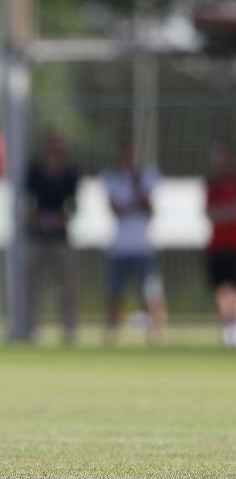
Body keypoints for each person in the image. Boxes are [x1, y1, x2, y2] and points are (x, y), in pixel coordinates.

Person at [101, 140, 166, 345]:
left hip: (143, 247)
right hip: (120, 247)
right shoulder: (112, 178)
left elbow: (148, 209)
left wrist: (136, 188)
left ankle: (155, 334)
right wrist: (133, 202)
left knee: (150, 292)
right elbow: (116, 209)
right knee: (114, 292)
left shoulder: (146, 177)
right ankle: (111, 333)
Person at [22, 132, 80, 343]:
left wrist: (62, 219)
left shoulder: (70, 174)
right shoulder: (35, 172)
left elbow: (73, 205)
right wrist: (35, 219)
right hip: (37, 237)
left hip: (60, 237)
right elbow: (27, 202)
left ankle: (69, 330)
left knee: (68, 285)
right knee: (32, 284)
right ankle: (30, 329)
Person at [205, 141, 236, 348]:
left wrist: (224, 213)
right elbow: (211, 213)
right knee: (221, 290)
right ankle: (227, 329)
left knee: (230, 290)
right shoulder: (212, 185)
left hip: (233, 246)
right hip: (217, 247)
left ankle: (231, 328)